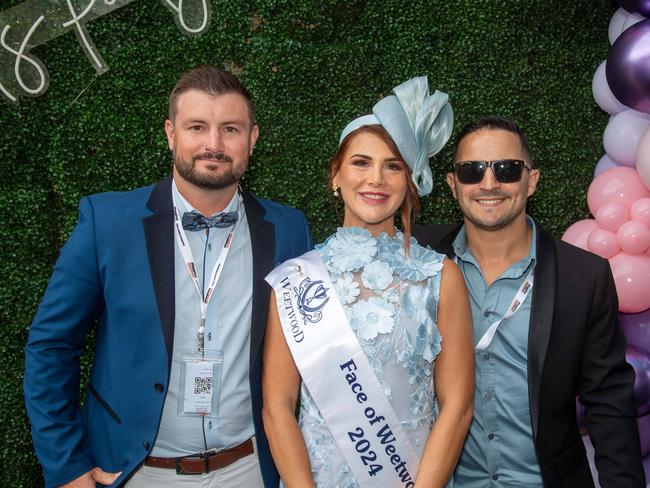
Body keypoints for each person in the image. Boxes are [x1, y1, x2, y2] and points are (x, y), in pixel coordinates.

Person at [23, 65, 312, 488]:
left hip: (251, 469)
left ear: (252, 139)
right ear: (171, 133)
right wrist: (66, 466)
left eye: (230, 129)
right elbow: (50, 345)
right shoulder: (108, 222)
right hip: (137, 473)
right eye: (197, 126)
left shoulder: (289, 229)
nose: (213, 144)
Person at [262, 77, 474, 488]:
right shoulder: (295, 279)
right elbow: (277, 404)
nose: (376, 178)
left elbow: (458, 406)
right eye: (361, 162)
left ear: (409, 182)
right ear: (336, 176)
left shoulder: (440, 277)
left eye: (393, 166)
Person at [413, 115, 645, 487]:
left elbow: (609, 402)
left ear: (531, 181)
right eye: (472, 171)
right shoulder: (416, 258)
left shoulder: (583, 277)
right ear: (453, 185)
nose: (489, 183)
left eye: (507, 169)